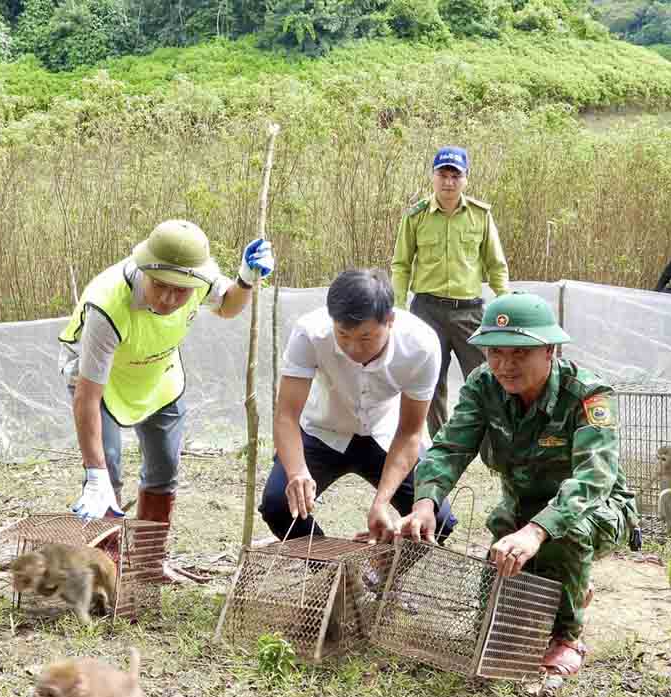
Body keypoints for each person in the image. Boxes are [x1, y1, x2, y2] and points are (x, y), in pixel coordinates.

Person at [392, 292, 638, 676]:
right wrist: (425, 502)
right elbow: (450, 447)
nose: (505, 365)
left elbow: (593, 479)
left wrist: (538, 531)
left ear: (550, 350)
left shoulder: (587, 394)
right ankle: (564, 587)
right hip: (521, 506)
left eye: (519, 353)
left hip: (596, 508)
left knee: (565, 535)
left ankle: (567, 637)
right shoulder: (483, 384)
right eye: (494, 352)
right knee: (503, 590)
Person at [58, 220, 274, 542]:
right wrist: (94, 474)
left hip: (160, 376)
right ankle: (107, 570)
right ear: (145, 269)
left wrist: (244, 280)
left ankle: (149, 564)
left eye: (181, 291)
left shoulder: (199, 278)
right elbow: (87, 398)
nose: (170, 298)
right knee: (108, 473)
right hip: (103, 384)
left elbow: (228, 307)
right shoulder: (107, 306)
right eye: (160, 285)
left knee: (164, 468)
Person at [258, 269, 456, 542]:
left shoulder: (421, 345)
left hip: (386, 436)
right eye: (343, 335)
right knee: (279, 505)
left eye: (365, 338)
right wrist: (297, 472)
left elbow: (410, 432)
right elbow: (286, 417)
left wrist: (381, 502)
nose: (353, 348)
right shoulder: (309, 333)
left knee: (436, 519)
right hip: (322, 431)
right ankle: (337, 576)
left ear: (390, 320)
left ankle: (380, 576)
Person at [390, 145, 510, 439]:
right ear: (433, 177)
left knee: (486, 379)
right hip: (427, 311)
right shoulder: (416, 216)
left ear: (465, 179)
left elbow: (496, 265)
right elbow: (401, 264)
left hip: (469, 310)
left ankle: (491, 444)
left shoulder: (480, 216)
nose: (448, 182)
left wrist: (504, 302)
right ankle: (441, 447)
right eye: (442, 175)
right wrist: (398, 308)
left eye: (455, 176)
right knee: (429, 382)